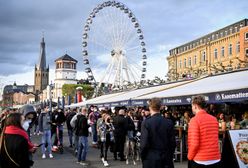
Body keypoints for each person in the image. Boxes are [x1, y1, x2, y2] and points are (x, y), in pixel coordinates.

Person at [140, 98, 176, 168]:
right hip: (166, 158)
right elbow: (172, 143)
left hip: (151, 159)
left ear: (150, 108)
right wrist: (169, 156)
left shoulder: (146, 122)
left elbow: (144, 144)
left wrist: (143, 157)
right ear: (160, 107)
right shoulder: (168, 122)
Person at [188, 95, 221, 168]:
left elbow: (194, 144)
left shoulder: (194, 120)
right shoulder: (214, 119)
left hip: (200, 160)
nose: (192, 108)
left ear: (195, 106)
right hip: (215, 159)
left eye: (192, 106)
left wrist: (189, 157)